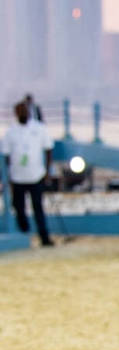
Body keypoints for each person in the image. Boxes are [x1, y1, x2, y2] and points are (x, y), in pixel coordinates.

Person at [3, 99, 55, 246]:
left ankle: (44, 237)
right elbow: (6, 155)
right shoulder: (11, 132)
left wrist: (47, 171)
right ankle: (24, 234)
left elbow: (48, 148)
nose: (23, 113)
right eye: (20, 111)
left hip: (36, 175)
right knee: (19, 207)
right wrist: (6, 176)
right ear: (16, 113)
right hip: (17, 176)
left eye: (25, 111)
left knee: (38, 207)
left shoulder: (39, 129)